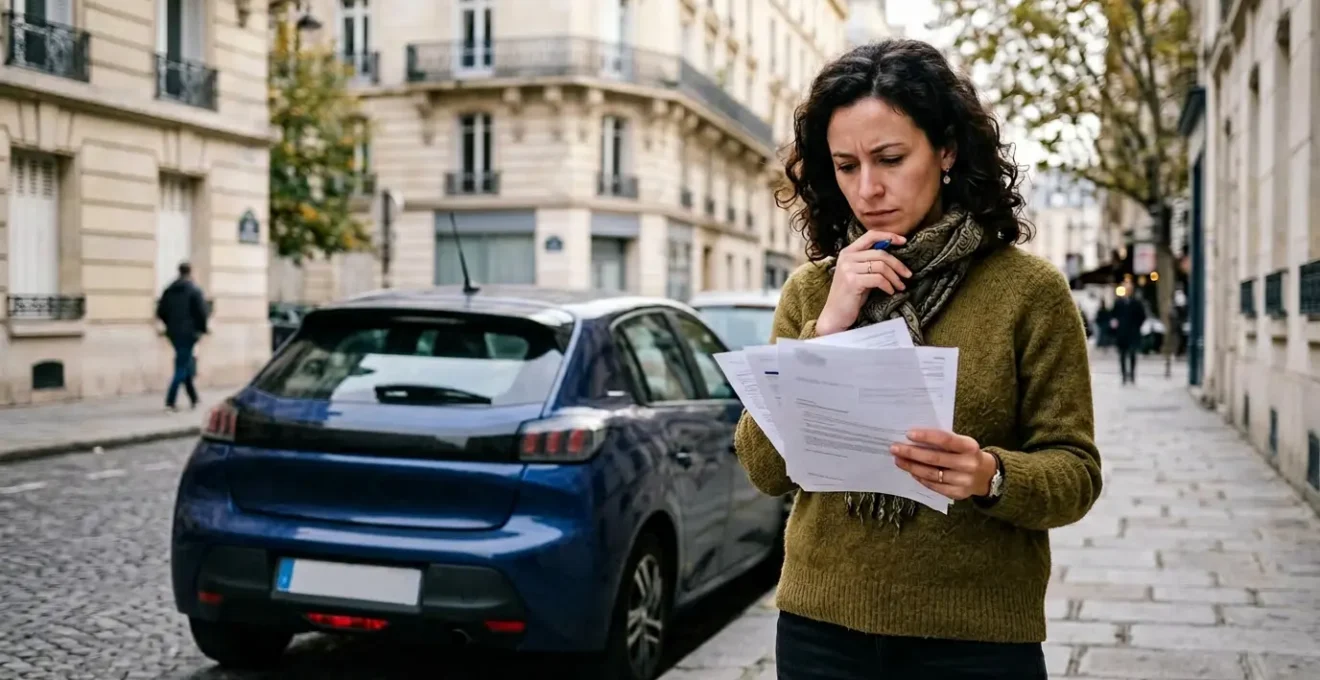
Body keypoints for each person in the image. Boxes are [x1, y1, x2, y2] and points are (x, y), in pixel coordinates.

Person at [733, 39, 1101, 679]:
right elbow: (765, 470)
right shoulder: (812, 291)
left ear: (948, 150)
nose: (868, 188)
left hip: (976, 639)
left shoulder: (1030, 293)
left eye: (891, 158)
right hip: (822, 631)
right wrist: (828, 328)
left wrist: (990, 475)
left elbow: (1076, 473)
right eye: (846, 166)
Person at [156, 262, 209, 411]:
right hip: (189, 333)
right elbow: (202, 313)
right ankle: (170, 401)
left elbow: (160, 312)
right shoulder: (194, 290)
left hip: (174, 333)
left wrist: (170, 325)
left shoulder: (169, 290)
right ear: (190, 272)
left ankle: (194, 398)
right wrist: (201, 330)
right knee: (182, 367)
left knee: (184, 363)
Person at [1110, 289, 1147, 384]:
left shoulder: (1136, 303)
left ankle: (1132, 374)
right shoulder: (1118, 303)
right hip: (1122, 333)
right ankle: (1124, 375)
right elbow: (1113, 316)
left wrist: (1136, 326)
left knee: (1132, 354)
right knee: (1122, 355)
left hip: (1132, 333)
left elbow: (1142, 316)